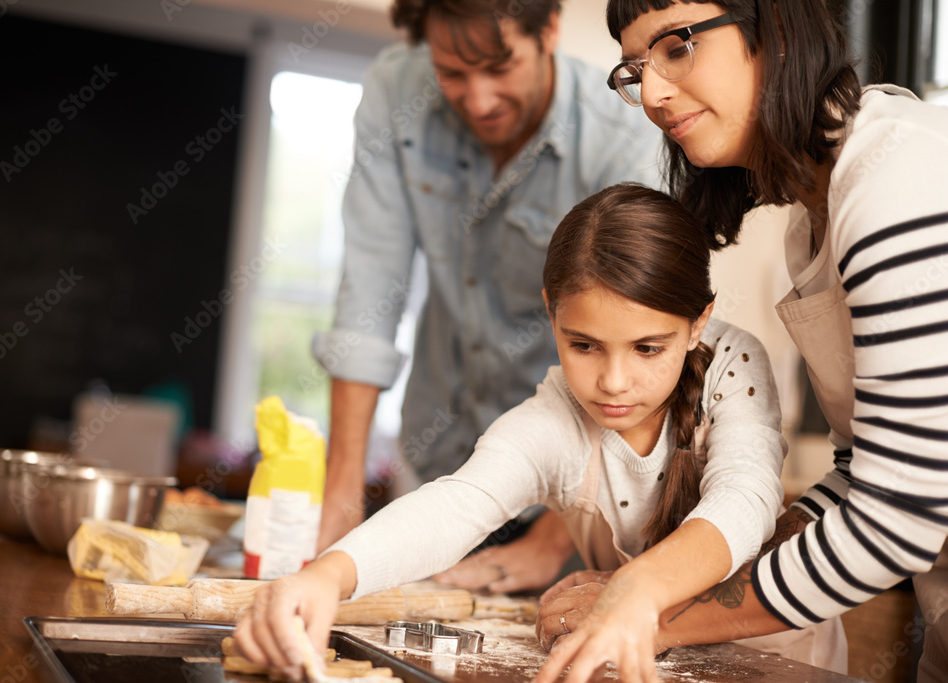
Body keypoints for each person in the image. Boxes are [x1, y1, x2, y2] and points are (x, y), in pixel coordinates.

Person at [234, 182, 844, 680]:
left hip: (776, 657)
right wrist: (326, 576)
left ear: (698, 322)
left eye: (648, 348)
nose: (613, 381)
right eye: (583, 345)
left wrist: (632, 588)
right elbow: (458, 505)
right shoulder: (556, 419)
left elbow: (745, 500)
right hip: (646, 652)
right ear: (552, 310)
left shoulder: (734, 367)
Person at [535, 2, 948, 682]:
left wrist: (654, 611)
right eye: (637, 69)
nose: (656, 95)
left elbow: (897, 513)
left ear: (774, 23)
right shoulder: (812, 224)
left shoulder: (896, 179)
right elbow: (862, 475)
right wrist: (662, 579)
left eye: (677, 46)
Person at [312, 0, 663, 593]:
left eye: (500, 68)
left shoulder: (625, 136)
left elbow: (635, 351)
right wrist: (340, 501)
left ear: (548, 28)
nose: (478, 99)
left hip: (574, 490)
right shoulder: (397, 90)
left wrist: (552, 542)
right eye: (451, 72)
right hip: (437, 467)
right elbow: (370, 287)